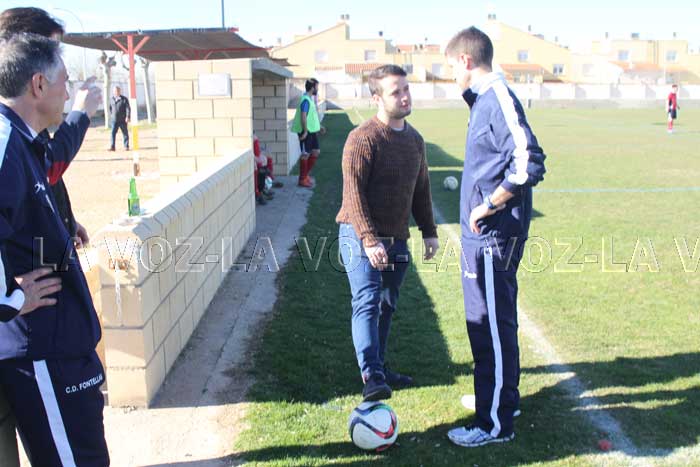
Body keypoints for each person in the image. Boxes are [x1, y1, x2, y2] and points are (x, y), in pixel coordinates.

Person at [0, 33, 109, 465]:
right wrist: (9, 300)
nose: (69, 92)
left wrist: (61, 229)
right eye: (65, 80)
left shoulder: (22, 139)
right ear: (39, 85)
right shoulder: (5, 142)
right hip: (41, 351)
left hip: (59, 347)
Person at [444, 27, 546, 447]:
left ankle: (494, 424)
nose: (451, 75)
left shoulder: (497, 97)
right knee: (495, 323)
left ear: (465, 61)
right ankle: (500, 399)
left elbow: (528, 161)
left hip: (492, 237)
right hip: (485, 237)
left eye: (451, 67)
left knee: (490, 327)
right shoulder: (483, 99)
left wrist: (488, 205)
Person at [336, 65, 439, 402]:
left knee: (386, 304)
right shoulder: (362, 139)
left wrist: (429, 231)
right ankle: (371, 376)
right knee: (367, 301)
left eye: (406, 89)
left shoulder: (415, 140)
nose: (405, 96)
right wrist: (369, 239)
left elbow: (421, 189)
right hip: (359, 236)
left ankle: (378, 366)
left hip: (397, 239)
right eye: (396, 92)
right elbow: (353, 195)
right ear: (376, 98)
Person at [0, 7, 100, 247]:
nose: (58, 57)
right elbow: (49, 167)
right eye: (51, 49)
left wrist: (61, 222)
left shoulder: (22, 124)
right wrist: (79, 115)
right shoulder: (6, 136)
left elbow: (35, 184)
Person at [291, 78, 325, 187]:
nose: (317, 89)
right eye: (317, 87)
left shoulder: (310, 99)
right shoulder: (305, 100)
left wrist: (319, 127)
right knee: (305, 154)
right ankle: (302, 179)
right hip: (306, 132)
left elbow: (311, 117)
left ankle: (305, 175)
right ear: (312, 88)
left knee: (316, 152)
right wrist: (305, 131)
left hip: (312, 131)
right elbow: (303, 116)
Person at [109, 85, 130, 151]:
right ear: (113, 92)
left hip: (122, 120)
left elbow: (128, 108)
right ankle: (112, 147)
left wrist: (127, 116)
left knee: (125, 133)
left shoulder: (124, 99)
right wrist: (112, 115)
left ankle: (126, 146)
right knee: (112, 133)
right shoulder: (111, 99)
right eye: (115, 91)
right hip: (114, 120)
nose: (116, 92)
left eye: (118, 91)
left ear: (120, 91)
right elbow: (110, 108)